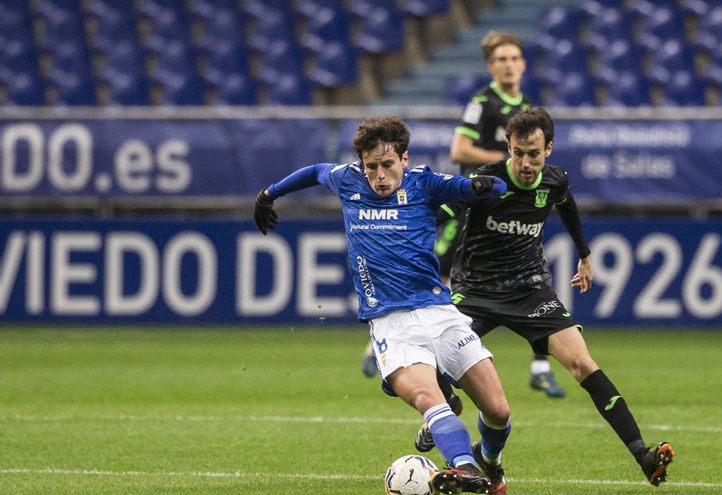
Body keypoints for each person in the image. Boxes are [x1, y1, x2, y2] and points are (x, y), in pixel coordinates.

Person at [415, 108, 676, 487]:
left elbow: (567, 205)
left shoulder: (553, 182)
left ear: (548, 149)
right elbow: (439, 214)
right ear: (508, 147)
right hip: (474, 292)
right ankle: (441, 412)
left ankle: (643, 454)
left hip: (530, 291)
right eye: (517, 152)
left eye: (533, 154)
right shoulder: (485, 181)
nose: (524, 162)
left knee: (583, 363)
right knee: (432, 364)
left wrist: (584, 255)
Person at [253, 116, 512, 495]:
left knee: (499, 411)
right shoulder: (347, 180)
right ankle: (464, 467)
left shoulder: (425, 183)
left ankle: (487, 462)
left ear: (404, 159)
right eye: (370, 166)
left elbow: (483, 187)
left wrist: (486, 185)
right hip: (391, 323)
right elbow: (314, 171)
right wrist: (268, 195)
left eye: (387, 164)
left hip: (441, 313)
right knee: (429, 397)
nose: (379, 175)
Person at [365, 30, 568, 400]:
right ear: (492, 66)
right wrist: (500, 166)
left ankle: (539, 366)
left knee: (533, 273)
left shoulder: (526, 107)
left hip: (510, 203)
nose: (508, 65)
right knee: (442, 270)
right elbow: (459, 148)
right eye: (501, 60)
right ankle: (397, 337)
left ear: (523, 64)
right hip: (473, 202)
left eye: (514, 59)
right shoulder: (482, 103)